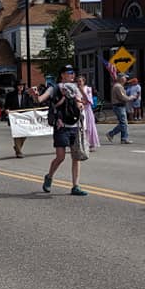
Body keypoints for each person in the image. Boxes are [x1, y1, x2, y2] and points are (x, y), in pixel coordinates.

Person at [36, 65, 88, 196]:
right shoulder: (55, 87)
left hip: (75, 125)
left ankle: (75, 186)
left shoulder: (75, 88)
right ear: (62, 75)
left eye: (73, 73)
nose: (72, 75)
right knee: (60, 157)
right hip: (61, 126)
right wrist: (36, 95)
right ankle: (49, 176)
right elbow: (41, 99)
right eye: (69, 73)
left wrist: (80, 103)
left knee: (76, 157)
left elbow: (84, 102)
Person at [2, 81, 34, 158]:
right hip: (15, 117)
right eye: (19, 86)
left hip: (25, 116)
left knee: (24, 134)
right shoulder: (10, 95)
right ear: (16, 86)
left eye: (22, 86)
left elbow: (31, 105)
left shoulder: (27, 95)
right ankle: (19, 152)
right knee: (17, 134)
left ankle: (17, 147)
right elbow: (6, 105)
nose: (21, 87)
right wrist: (6, 110)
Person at [106, 74, 135, 144]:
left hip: (120, 106)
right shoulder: (118, 86)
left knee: (123, 122)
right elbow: (123, 97)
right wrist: (131, 97)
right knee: (123, 123)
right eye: (125, 77)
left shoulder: (118, 86)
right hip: (119, 106)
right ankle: (111, 134)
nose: (126, 79)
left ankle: (124, 138)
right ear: (121, 78)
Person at [76, 74, 100, 152]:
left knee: (89, 127)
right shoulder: (76, 89)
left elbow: (89, 101)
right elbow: (76, 99)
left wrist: (82, 94)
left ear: (84, 81)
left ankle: (90, 144)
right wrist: (81, 101)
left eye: (80, 81)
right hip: (79, 109)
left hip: (87, 110)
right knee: (81, 128)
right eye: (78, 81)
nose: (79, 83)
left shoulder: (88, 89)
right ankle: (81, 144)